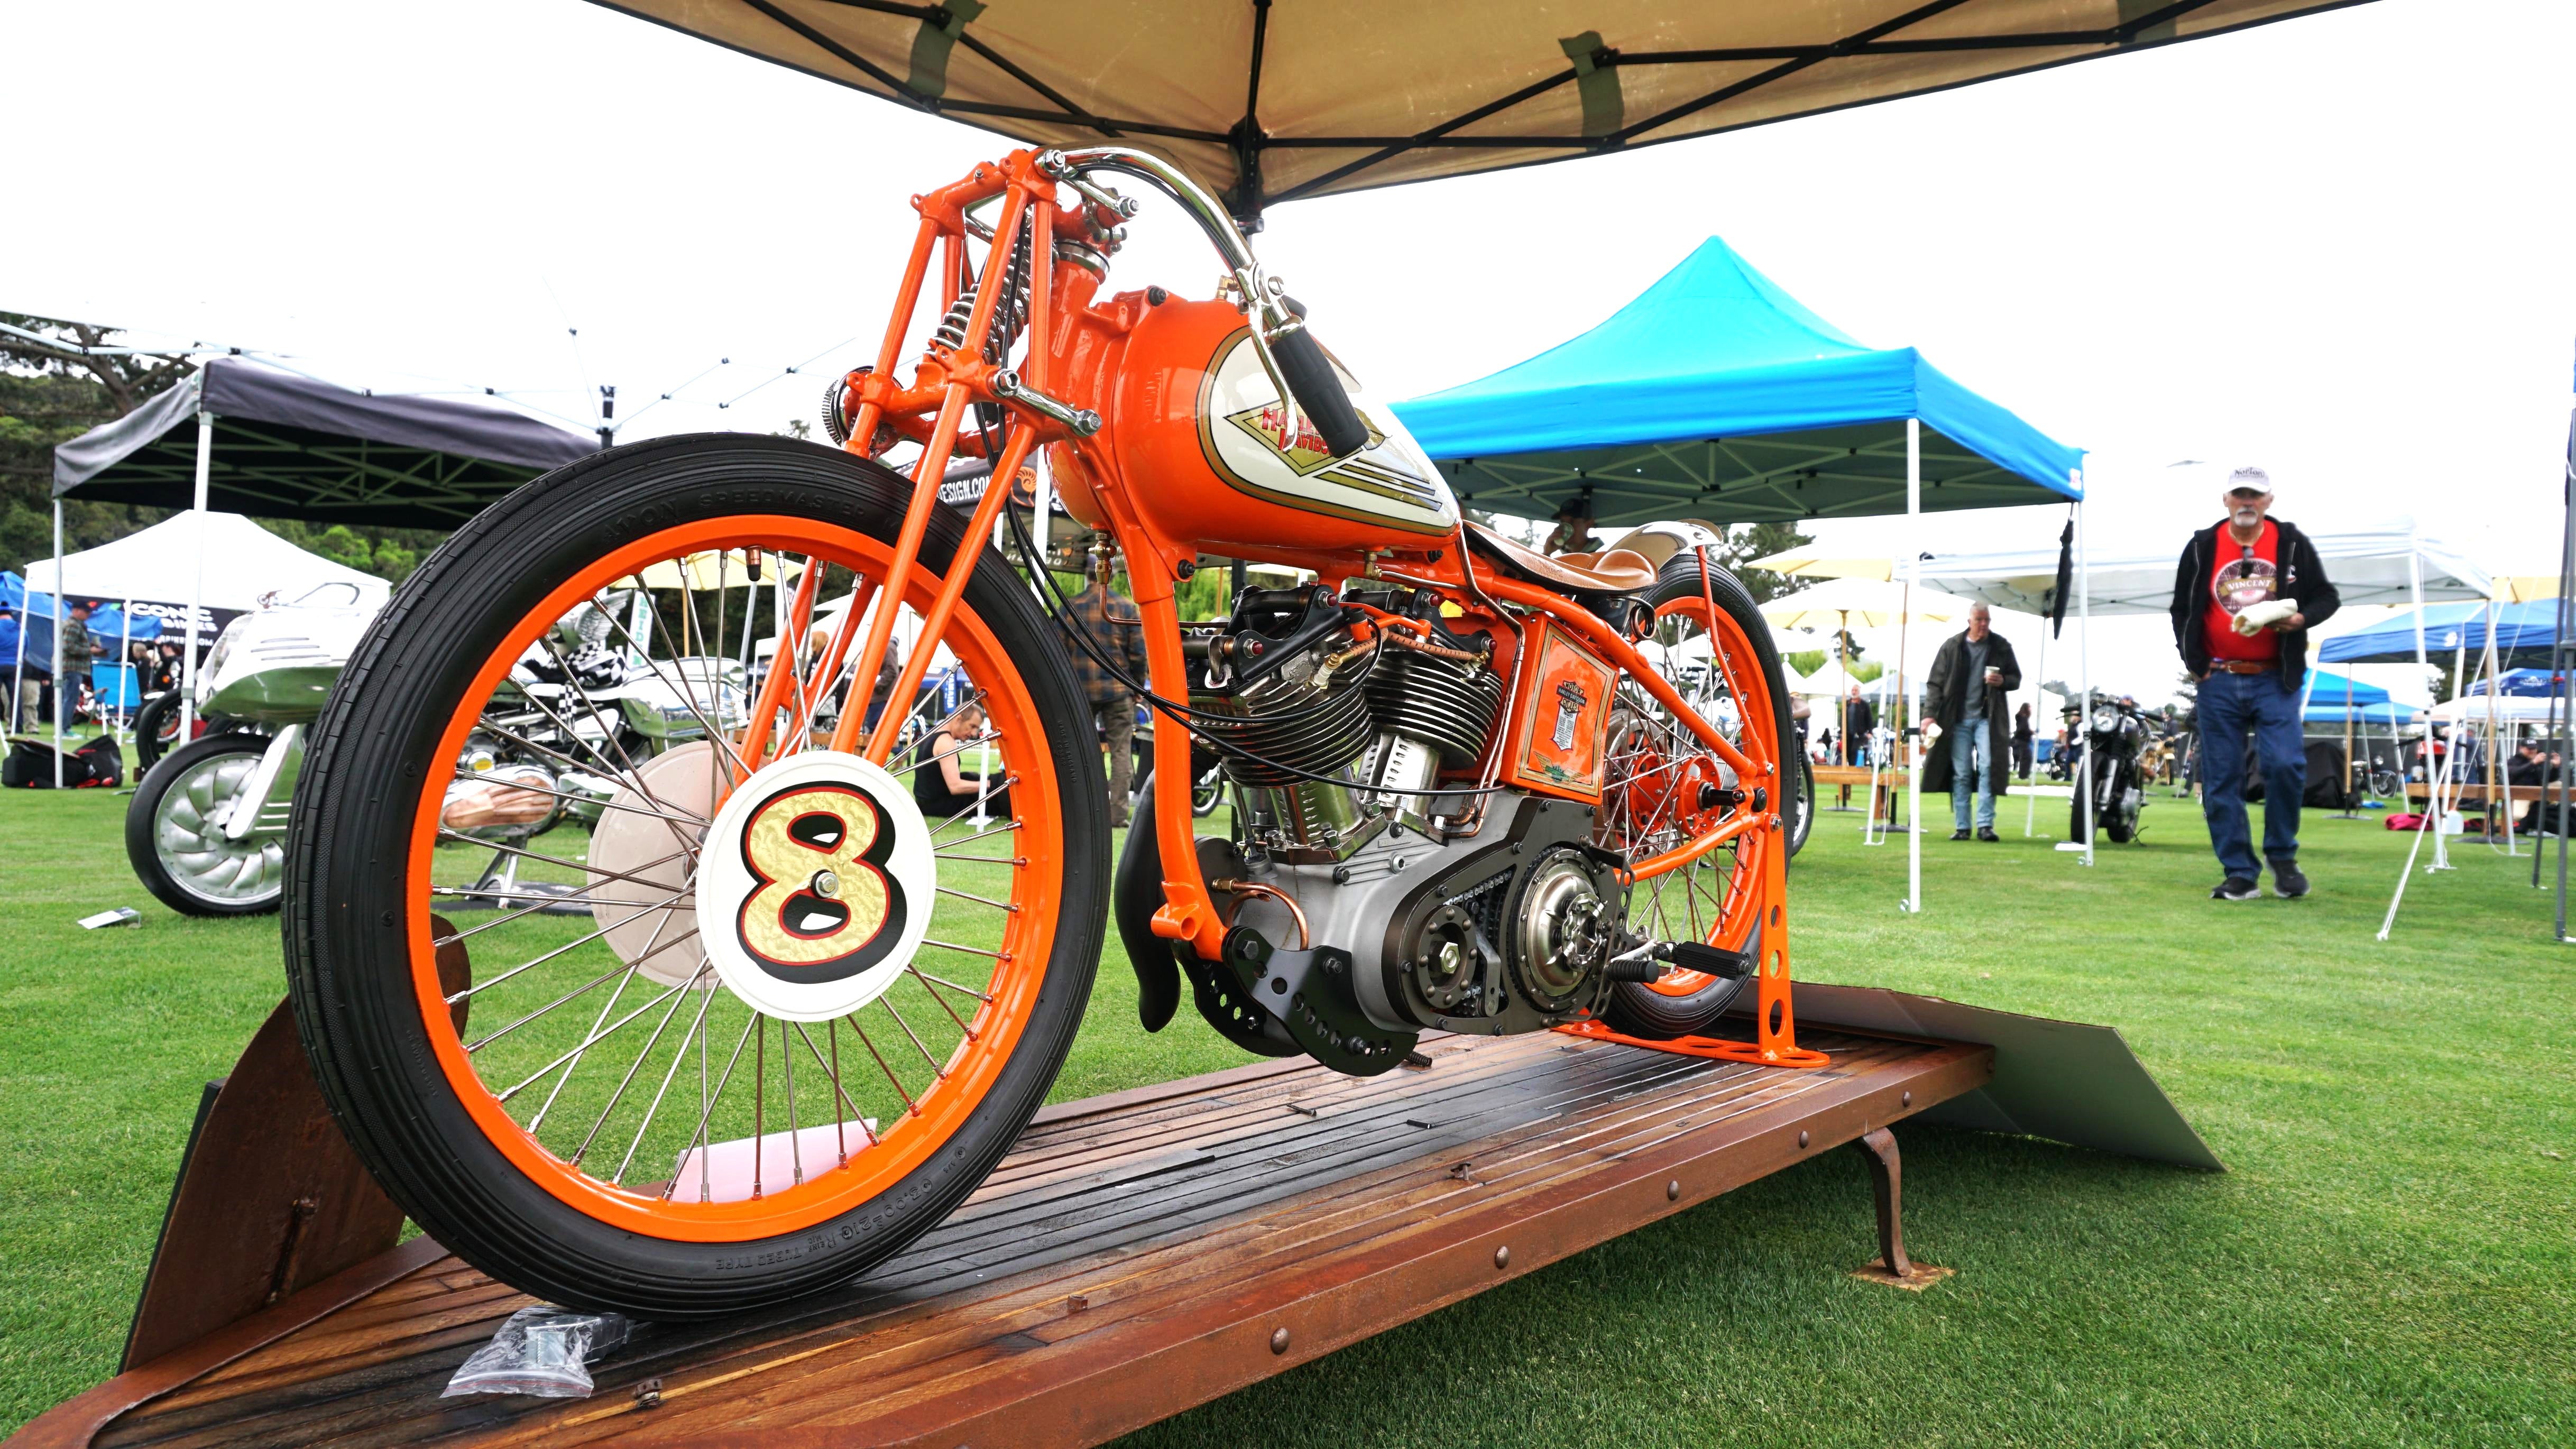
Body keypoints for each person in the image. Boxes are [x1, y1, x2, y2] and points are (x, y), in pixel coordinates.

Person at [2170, 465, 2339, 900]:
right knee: (2222, 777)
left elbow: (2326, 597)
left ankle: (2282, 855)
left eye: (2255, 495)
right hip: (2219, 677)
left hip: (2275, 679)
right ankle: (2240, 872)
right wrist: (2194, 660)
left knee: (2285, 764)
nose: (2247, 502)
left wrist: (2302, 618)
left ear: (2269, 501)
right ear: (2225, 500)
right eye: (2239, 494)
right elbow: (2181, 607)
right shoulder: (2203, 545)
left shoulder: (2292, 543)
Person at [1055, 551, 1149, 827]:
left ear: (1085, 575)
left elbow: (1057, 652)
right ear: (1115, 574)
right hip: (1119, 691)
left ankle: (1080, 811)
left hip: (1079, 692)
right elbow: (1139, 654)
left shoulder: (1069, 607)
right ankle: (1117, 815)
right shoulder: (1126, 608)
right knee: (1121, 752)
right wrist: (1137, 686)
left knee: (1079, 750)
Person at [1921, 603, 2021, 841]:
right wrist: (1929, 714)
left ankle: (1986, 825)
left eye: (1987, 620)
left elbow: (2016, 678)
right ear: (1969, 621)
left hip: (1988, 719)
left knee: (1988, 767)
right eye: (1979, 620)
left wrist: (2002, 681)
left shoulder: (2001, 646)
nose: (1984, 624)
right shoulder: (1952, 646)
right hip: (1956, 721)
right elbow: (1935, 683)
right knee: (1962, 773)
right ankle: (1962, 827)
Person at [912, 700, 1010, 821]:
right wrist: (993, 785)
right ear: (959, 718)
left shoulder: (933, 733)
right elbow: (955, 787)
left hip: (928, 803)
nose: (974, 733)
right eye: (972, 726)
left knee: (978, 778)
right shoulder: (946, 742)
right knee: (997, 790)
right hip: (938, 805)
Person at [2011, 702, 2035, 780]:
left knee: (2025, 757)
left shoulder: (2020, 717)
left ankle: (2023, 775)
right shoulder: (2023, 718)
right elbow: (2023, 729)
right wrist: (2031, 732)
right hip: (2023, 740)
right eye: (2029, 707)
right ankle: (2023, 775)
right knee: (2026, 758)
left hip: (2020, 740)